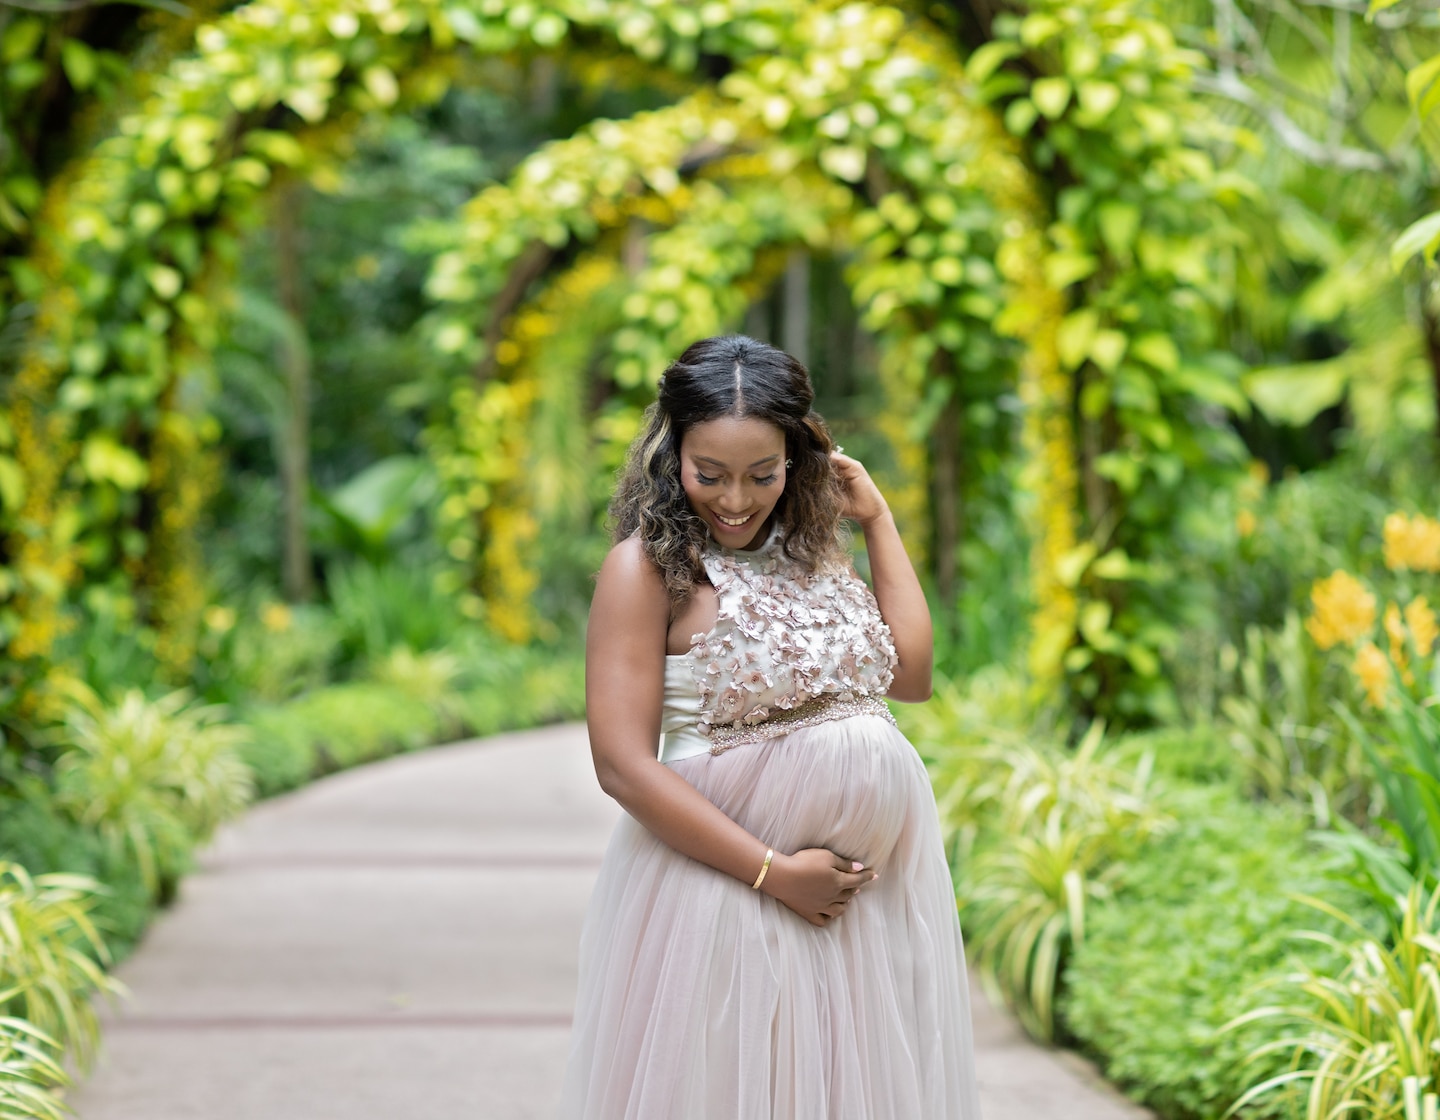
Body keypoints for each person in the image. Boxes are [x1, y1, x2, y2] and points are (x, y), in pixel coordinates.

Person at [559, 335, 981, 1119]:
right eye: (708, 473)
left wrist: (878, 518)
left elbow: (911, 676)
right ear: (671, 453)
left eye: (763, 474)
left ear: (799, 458)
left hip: (856, 913)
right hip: (729, 890)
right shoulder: (645, 570)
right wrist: (772, 874)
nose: (735, 500)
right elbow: (621, 764)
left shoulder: (816, 551)